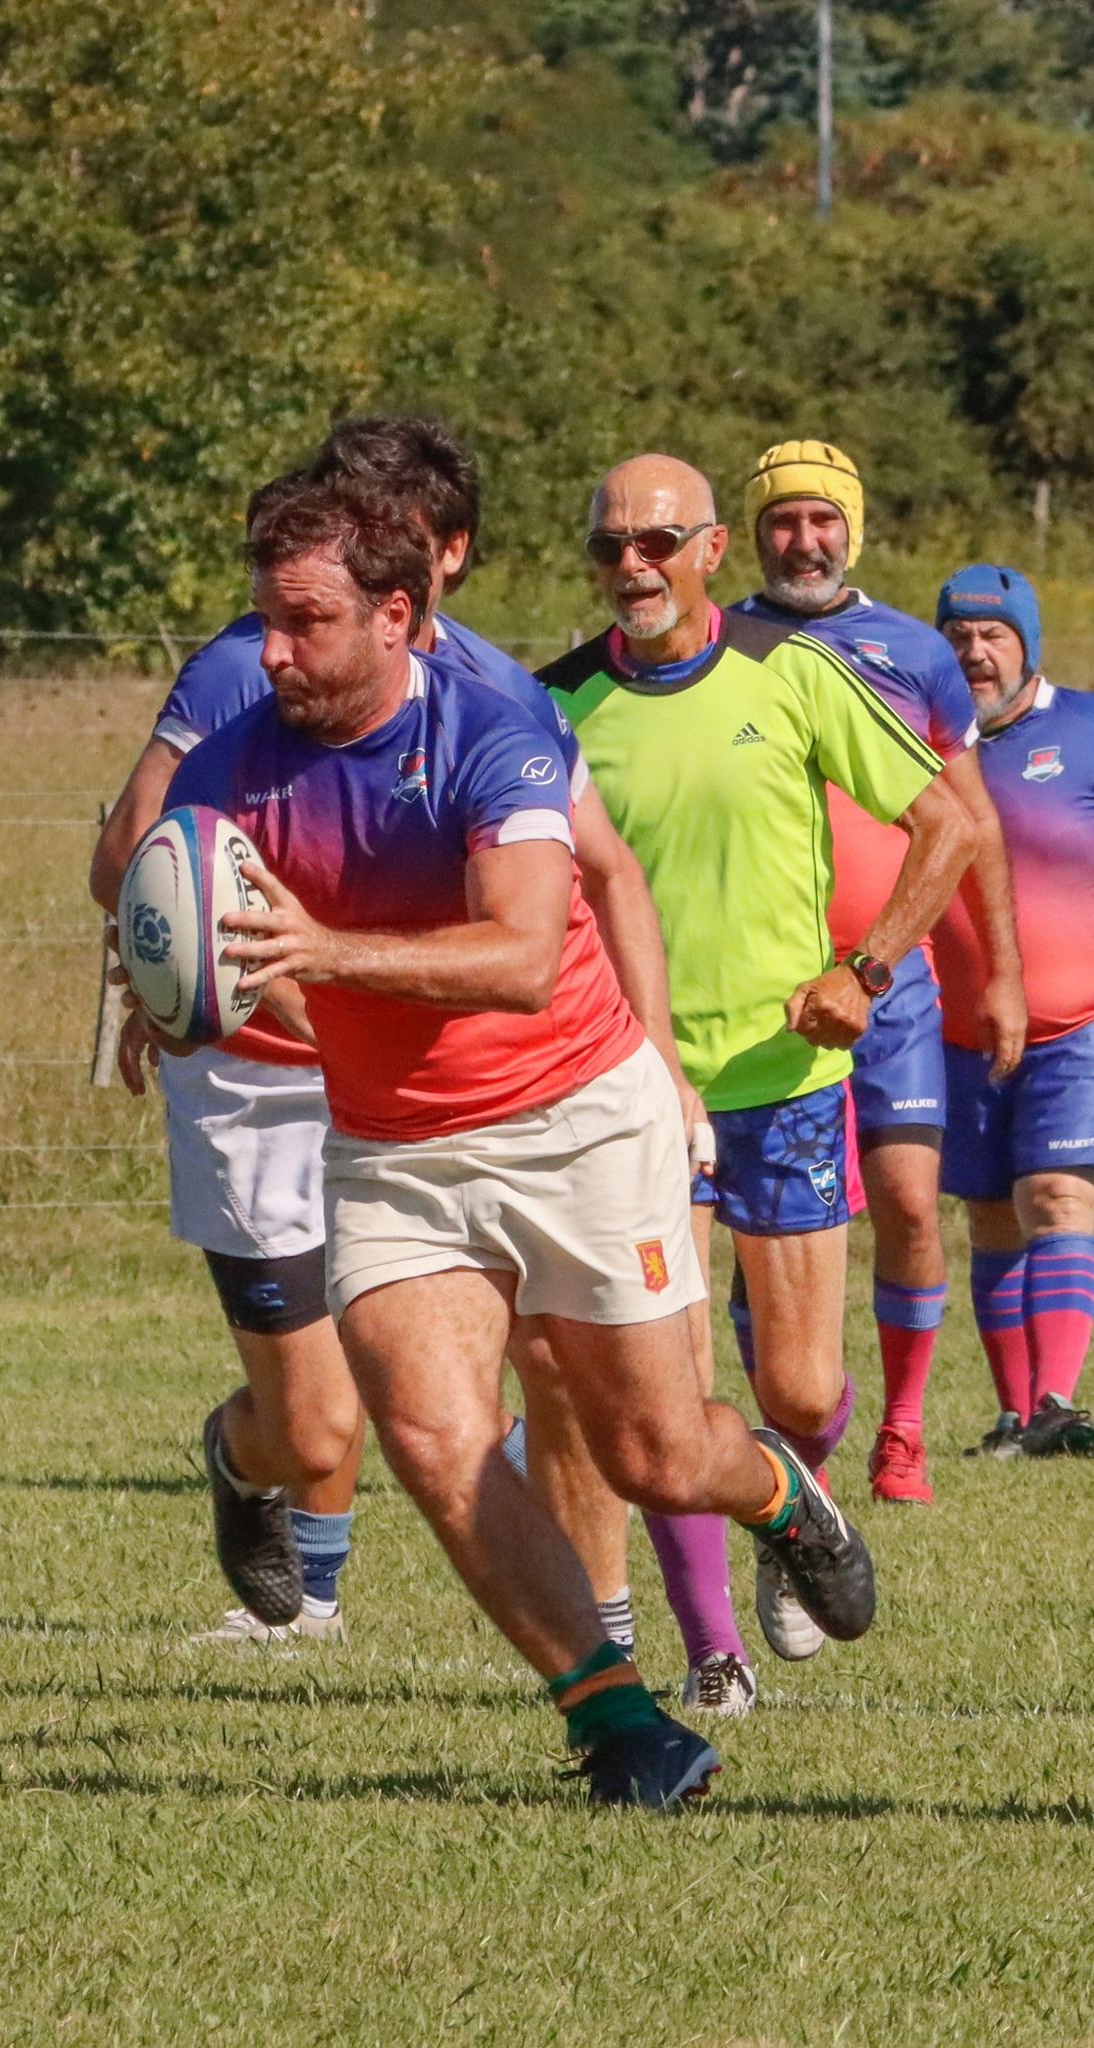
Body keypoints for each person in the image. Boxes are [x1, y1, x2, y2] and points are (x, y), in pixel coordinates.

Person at [162, 464, 878, 1808]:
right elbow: (171, 914)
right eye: (261, 619)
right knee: (432, 1436)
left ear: (392, 614)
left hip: (575, 1122)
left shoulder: (496, 722)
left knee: (653, 1453)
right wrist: (165, 983)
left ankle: (776, 1490)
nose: (268, 651)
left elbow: (519, 959)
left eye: (301, 623)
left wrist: (320, 948)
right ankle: (617, 1726)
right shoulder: (227, 764)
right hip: (390, 1153)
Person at [91, 416, 588, 1647]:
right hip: (258, 1082)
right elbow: (135, 862)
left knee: (470, 1367)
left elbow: (592, 882)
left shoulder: (499, 698)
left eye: (397, 540)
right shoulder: (242, 672)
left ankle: (495, 1615)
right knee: (311, 1428)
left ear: (437, 564)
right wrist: (169, 964)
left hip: (431, 1086)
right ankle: (242, 1462)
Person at [537, 454, 975, 1681]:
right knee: (661, 1404)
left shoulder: (793, 673)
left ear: (710, 549)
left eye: (655, 541)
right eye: (608, 545)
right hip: (628, 1090)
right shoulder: (554, 702)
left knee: (797, 1379)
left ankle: (794, 1497)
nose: (630, 566)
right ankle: (710, 1656)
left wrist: (869, 968)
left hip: (784, 1078)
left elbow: (946, 821)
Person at [735, 441, 1024, 1504]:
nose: (802, 541)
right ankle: (789, 1415)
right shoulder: (723, 641)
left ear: (852, 529)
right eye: (781, 521)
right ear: (751, 532)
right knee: (758, 1224)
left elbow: (969, 818)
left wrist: (998, 972)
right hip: (760, 986)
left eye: (821, 521)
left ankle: (900, 1426)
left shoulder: (916, 651)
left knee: (906, 1202)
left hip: (890, 979)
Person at [933, 566, 1094, 1457]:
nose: (973, 652)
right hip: (960, 1031)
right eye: (957, 637)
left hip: (1077, 1024)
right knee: (990, 1212)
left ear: (1026, 641)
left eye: (992, 635)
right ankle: (1014, 1415)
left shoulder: (1084, 728)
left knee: (1058, 1193)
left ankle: (1057, 1401)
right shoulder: (921, 748)